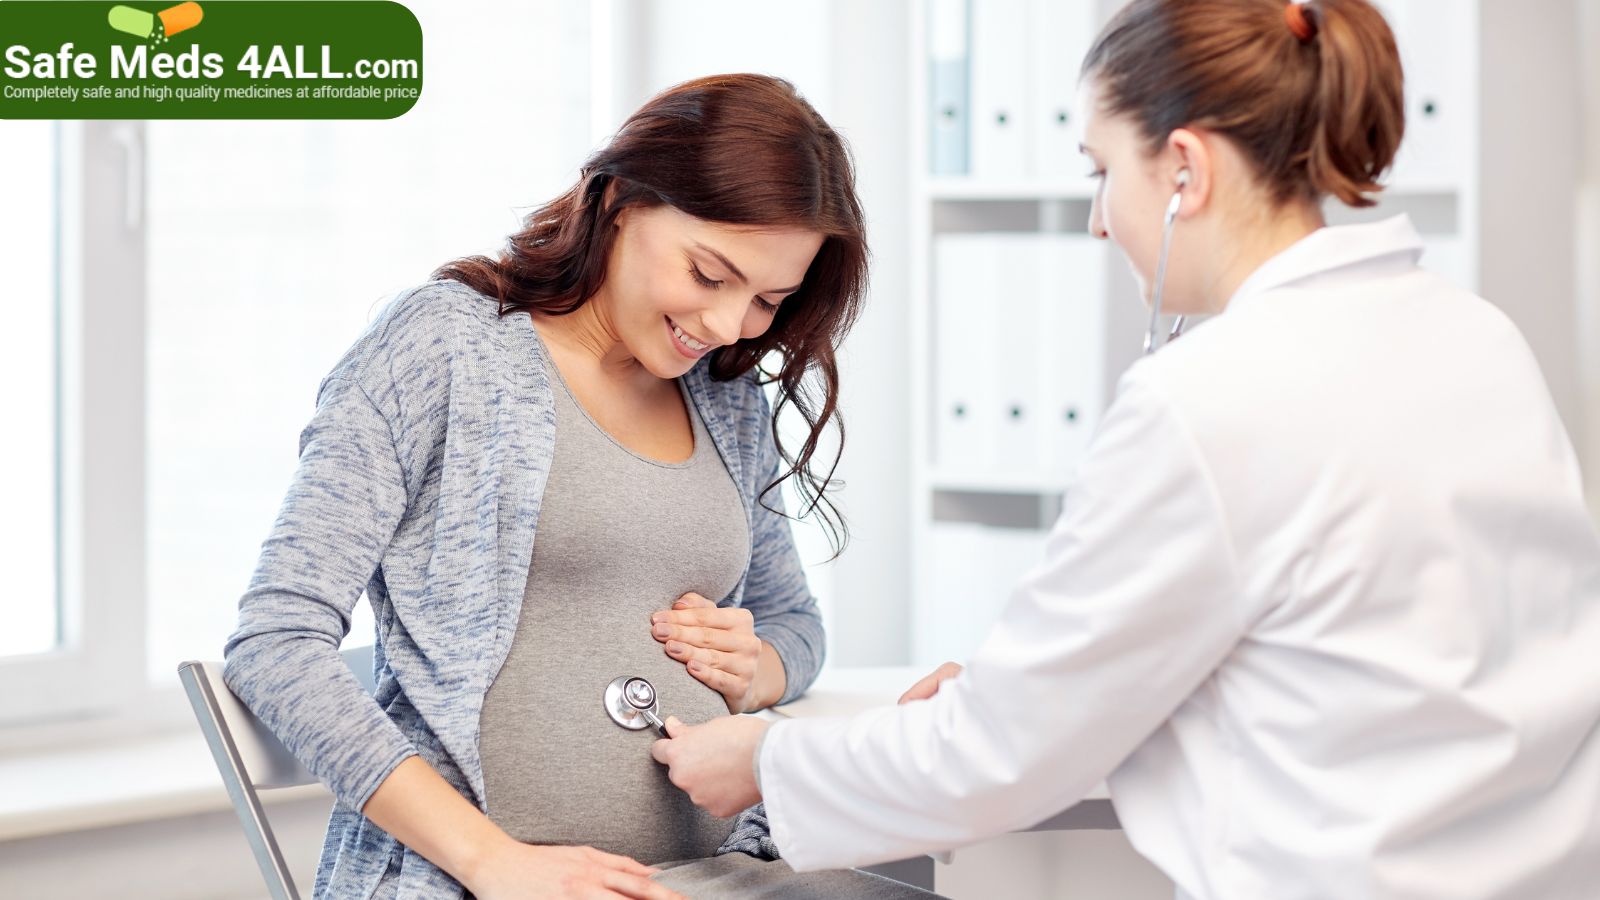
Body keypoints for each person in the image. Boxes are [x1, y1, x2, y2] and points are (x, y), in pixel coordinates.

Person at [652, 3, 1600, 897]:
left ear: (1184, 169)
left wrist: (768, 763)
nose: (1101, 218)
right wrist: (1051, 682)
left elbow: (1001, 757)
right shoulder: (1477, 338)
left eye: (1102, 170)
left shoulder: (1213, 398)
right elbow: (1378, 654)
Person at [223, 73, 932, 899]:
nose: (728, 326)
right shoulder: (447, 349)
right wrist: (492, 862)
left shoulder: (728, 399)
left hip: (727, 872)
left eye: (767, 300)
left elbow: (793, 624)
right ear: (623, 200)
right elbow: (274, 645)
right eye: (708, 275)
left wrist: (756, 667)